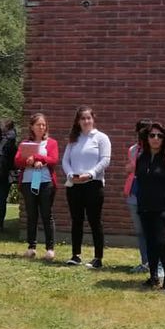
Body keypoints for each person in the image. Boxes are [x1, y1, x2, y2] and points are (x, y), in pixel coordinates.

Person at [133, 121, 165, 293]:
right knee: (150, 243)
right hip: (145, 207)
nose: (156, 139)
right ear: (147, 138)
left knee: (161, 243)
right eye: (152, 135)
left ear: (164, 139)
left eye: (159, 136)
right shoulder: (142, 159)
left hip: (162, 208)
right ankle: (153, 276)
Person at [62, 106, 111, 268]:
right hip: (74, 185)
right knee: (77, 220)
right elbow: (65, 161)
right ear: (78, 121)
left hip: (93, 185)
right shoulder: (73, 139)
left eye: (88, 118)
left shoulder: (101, 138)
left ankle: (98, 258)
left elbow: (105, 160)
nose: (86, 121)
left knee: (94, 221)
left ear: (93, 119)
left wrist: (90, 174)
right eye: (82, 118)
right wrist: (71, 175)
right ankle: (76, 255)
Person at [15, 113, 59, 261]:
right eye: (38, 124)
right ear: (32, 127)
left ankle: (50, 248)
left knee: (47, 214)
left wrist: (39, 159)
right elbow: (17, 160)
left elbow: (53, 159)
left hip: (45, 181)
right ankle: (31, 247)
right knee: (31, 215)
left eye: (43, 125)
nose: (41, 127)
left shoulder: (51, 143)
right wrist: (28, 161)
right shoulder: (25, 143)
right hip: (29, 181)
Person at [123, 120, 158, 277]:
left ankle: (158, 264)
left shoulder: (155, 149)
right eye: (141, 131)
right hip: (134, 192)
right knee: (140, 231)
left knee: (153, 231)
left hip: (150, 194)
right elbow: (131, 168)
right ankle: (145, 262)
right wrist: (129, 169)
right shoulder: (133, 150)